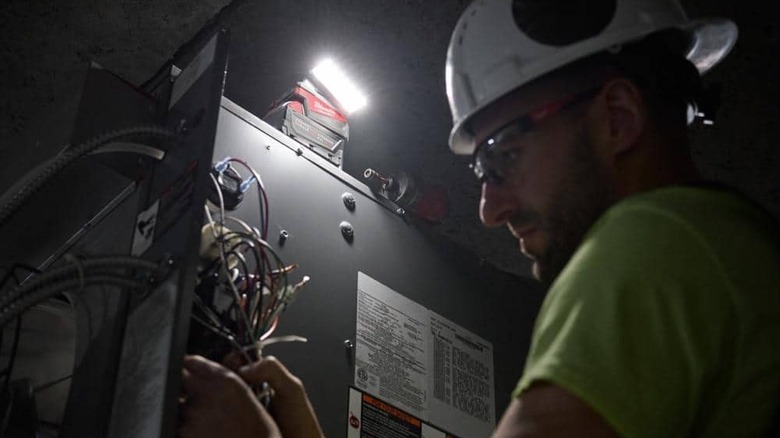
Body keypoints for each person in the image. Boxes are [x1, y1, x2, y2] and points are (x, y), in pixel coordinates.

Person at [178, 0, 780, 436]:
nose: (489, 210)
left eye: (503, 157)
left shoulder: (649, 244)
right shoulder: (732, 255)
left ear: (617, 117)